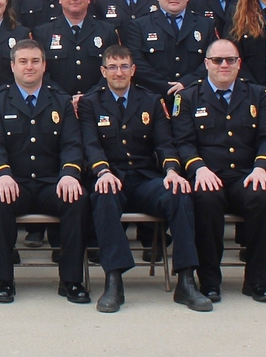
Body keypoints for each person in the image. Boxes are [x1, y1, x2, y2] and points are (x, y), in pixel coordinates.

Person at [80, 45, 203, 313]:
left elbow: (165, 143)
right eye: (112, 67)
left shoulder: (151, 101)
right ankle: (114, 282)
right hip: (110, 177)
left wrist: (172, 171)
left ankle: (186, 280)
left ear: (134, 70)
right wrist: (102, 171)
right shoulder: (90, 103)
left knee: (179, 193)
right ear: (103, 71)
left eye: (124, 66)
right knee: (103, 196)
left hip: (145, 178)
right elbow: (90, 145)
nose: (119, 72)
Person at [0, 39, 89, 304]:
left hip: (51, 182)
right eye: (24, 61)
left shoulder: (60, 101)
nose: (30, 67)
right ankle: (5, 280)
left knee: (78, 198)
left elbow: (72, 144)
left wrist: (69, 174)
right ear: (13, 66)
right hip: (13, 181)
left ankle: (71, 280)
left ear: (44, 65)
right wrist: (2, 173)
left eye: (35, 61)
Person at [173, 38, 266, 303]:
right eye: (217, 60)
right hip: (209, 174)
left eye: (230, 60)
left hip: (246, 174)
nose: (224, 65)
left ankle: (256, 279)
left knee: (264, 197)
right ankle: (209, 281)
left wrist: (261, 167)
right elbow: (182, 141)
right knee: (206, 200)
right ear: (206, 64)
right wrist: (197, 168)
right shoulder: (187, 97)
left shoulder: (256, 95)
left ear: (239, 63)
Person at [126, 0, 216, 97]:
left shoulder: (206, 25)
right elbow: (136, 63)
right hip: (153, 98)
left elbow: (213, 60)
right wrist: (166, 86)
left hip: (195, 96)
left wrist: (186, 83)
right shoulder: (140, 25)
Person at [31, 0, 120, 99]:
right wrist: (65, 99)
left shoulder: (107, 31)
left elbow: (113, 70)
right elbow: (41, 74)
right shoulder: (43, 33)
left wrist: (89, 98)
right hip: (57, 104)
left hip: (97, 104)